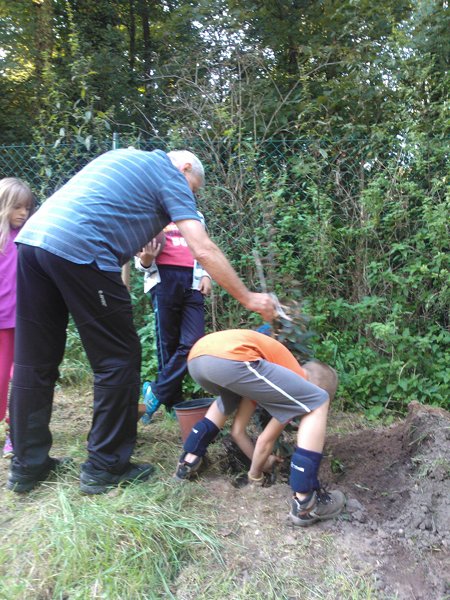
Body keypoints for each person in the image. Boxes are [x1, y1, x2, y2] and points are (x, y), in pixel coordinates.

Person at [6, 148, 275, 495]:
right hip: (81, 249)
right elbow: (203, 248)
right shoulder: (170, 174)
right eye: (193, 189)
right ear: (186, 167)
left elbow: (101, 213)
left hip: (33, 243)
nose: (190, 198)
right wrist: (250, 298)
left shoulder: (123, 158)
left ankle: (27, 466)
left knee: (34, 361)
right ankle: (105, 467)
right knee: (118, 360)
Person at [173, 329, 346, 527]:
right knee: (318, 401)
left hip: (199, 357)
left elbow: (237, 431)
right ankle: (306, 502)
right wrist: (255, 476)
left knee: (229, 400)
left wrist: (259, 467)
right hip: (231, 359)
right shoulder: (293, 380)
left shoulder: (262, 376)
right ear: (310, 386)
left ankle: (188, 462)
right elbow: (265, 440)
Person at [135, 216, 211, 422]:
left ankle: (156, 392)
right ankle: (173, 403)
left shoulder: (196, 215)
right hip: (163, 280)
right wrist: (146, 260)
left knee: (193, 343)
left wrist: (206, 274)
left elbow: (204, 247)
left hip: (193, 283)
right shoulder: (151, 213)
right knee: (167, 344)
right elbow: (139, 260)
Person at [0, 178, 34, 460]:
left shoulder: (28, 237)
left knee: (20, 377)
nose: (23, 213)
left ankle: (17, 432)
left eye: (27, 207)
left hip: (22, 320)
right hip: (1, 322)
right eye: (17, 207)